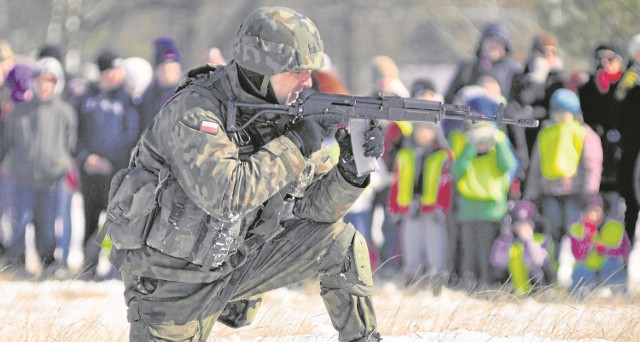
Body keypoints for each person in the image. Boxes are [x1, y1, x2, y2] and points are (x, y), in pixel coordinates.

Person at [105, 7, 382, 341]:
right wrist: (296, 143)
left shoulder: (281, 108)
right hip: (171, 287)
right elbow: (227, 195)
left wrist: (350, 172)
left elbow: (315, 209)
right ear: (262, 70)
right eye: (296, 71)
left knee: (340, 242)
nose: (307, 82)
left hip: (231, 267)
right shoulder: (194, 111)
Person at [0, 57, 77, 278]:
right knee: (20, 221)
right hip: (22, 177)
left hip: (51, 180)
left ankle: (49, 263)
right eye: (41, 80)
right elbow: (7, 143)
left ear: (57, 83)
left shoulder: (65, 112)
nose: (44, 86)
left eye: (50, 81)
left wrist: (61, 164)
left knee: (48, 224)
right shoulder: (18, 112)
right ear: (34, 82)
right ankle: (15, 262)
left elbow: (70, 144)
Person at [75, 49, 139, 279]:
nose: (116, 76)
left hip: (114, 172)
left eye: (118, 71)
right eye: (111, 71)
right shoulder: (85, 97)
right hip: (89, 172)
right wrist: (86, 157)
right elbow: (77, 132)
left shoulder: (128, 100)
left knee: (114, 221)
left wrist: (110, 161)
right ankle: (87, 268)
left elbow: (131, 135)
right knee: (90, 220)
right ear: (102, 72)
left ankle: (112, 269)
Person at [450, 94, 518, 292]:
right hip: (469, 205)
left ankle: (490, 286)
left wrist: (498, 141)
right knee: (470, 250)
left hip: (493, 206)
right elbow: (456, 170)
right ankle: (470, 285)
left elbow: (508, 166)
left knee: (489, 251)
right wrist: (471, 146)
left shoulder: (499, 139)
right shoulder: (460, 139)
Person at [524, 88, 603, 260]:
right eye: (557, 112)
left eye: (565, 112)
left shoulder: (583, 133)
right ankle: (556, 266)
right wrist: (531, 193)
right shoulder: (545, 134)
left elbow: (591, 164)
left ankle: (575, 267)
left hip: (574, 191)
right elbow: (536, 165)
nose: (560, 116)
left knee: (574, 229)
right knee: (553, 230)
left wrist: (590, 191)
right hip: (550, 191)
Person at [389, 122, 453, 294]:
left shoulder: (443, 155)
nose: (424, 134)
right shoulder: (404, 154)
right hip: (410, 208)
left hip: (433, 209)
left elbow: (446, 184)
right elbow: (397, 182)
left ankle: (437, 279)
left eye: (428, 131)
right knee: (411, 244)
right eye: (421, 130)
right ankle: (412, 278)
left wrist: (442, 206)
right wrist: (395, 207)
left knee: (435, 245)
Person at [508, 32, 567, 180]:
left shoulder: (559, 77)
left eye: (553, 52)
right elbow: (522, 99)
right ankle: (522, 165)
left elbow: (558, 105)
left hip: (547, 125)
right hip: (524, 131)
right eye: (543, 52)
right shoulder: (522, 75)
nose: (548, 56)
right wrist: (536, 78)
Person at [577, 43, 626, 212]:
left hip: (620, 167)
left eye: (609, 58)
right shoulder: (584, 89)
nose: (603, 63)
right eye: (599, 59)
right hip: (592, 167)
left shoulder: (628, 88)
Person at [568, 193, 630, 298]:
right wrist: (588, 238)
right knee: (580, 270)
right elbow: (578, 254)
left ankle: (620, 297)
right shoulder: (577, 228)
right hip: (587, 268)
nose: (593, 216)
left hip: (609, 266)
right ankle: (579, 298)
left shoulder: (614, 226)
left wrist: (604, 249)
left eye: (596, 211)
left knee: (613, 266)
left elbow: (624, 251)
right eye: (589, 212)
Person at [444, 22, 522, 104]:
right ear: (482, 42)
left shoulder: (513, 72)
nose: (495, 46)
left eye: (500, 43)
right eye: (492, 40)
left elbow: (519, 104)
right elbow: (449, 99)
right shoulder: (467, 69)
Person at [490, 200, 556, 296]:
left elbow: (537, 263)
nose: (523, 226)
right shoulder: (507, 241)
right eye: (519, 223)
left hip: (536, 290)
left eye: (527, 223)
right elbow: (498, 263)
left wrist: (528, 241)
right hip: (514, 293)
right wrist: (506, 237)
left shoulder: (541, 240)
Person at [612, 34, 640, 244]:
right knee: (632, 199)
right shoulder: (629, 77)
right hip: (631, 146)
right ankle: (629, 246)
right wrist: (625, 88)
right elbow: (616, 111)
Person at [138, 37, 182, 135]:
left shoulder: (188, 92)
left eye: (172, 67)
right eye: (163, 67)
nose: (168, 72)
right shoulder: (149, 96)